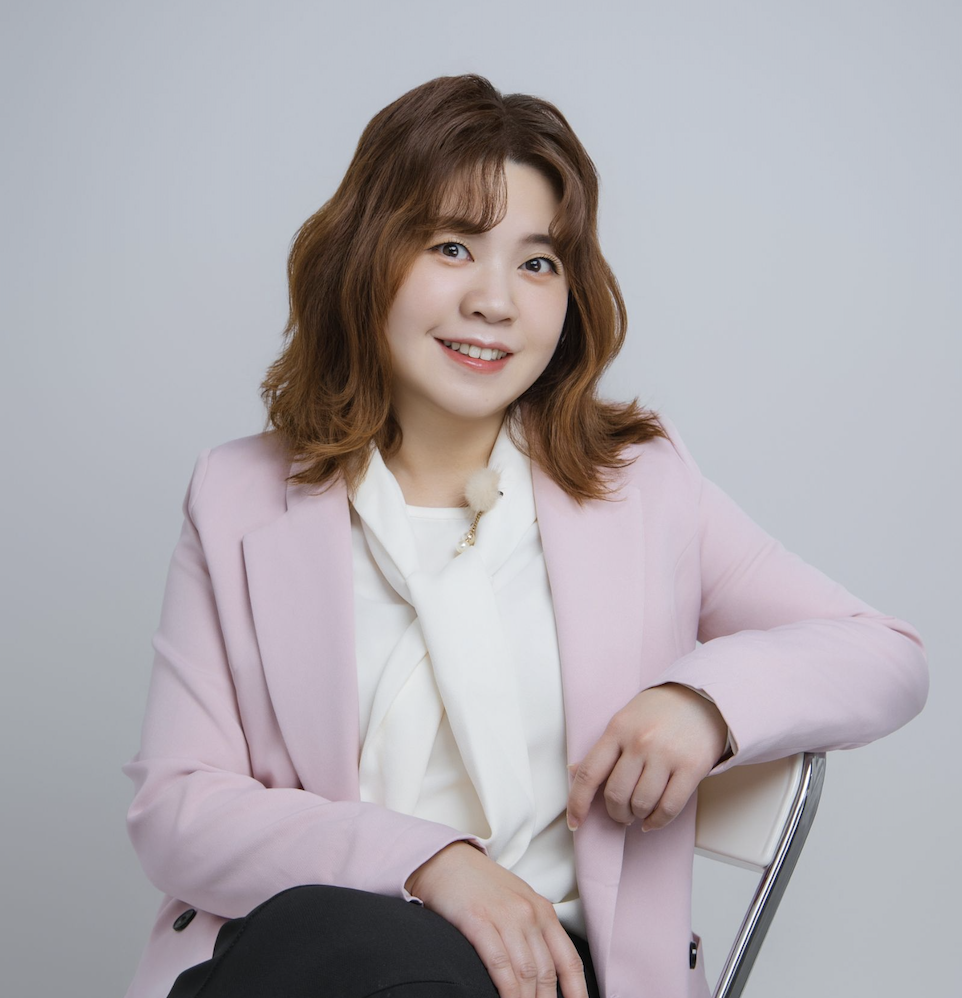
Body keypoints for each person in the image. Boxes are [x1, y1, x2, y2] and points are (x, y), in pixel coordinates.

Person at [122, 74, 928, 998]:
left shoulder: (640, 486)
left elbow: (885, 655)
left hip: (552, 978)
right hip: (315, 957)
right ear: (364, 256)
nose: (496, 302)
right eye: (452, 247)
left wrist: (703, 703)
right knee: (341, 936)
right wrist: (430, 863)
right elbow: (176, 810)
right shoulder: (239, 497)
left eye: (539, 263)